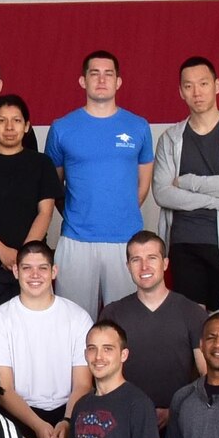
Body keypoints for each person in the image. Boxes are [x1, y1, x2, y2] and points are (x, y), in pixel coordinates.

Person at [46, 51, 155, 314]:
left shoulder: (138, 126)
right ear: (83, 81)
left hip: (126, 240)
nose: (102, 79)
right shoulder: (62, 127)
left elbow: (143, 185)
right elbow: (53, 187)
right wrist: (78, 216)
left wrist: (120, 214)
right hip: (76, 240)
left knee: (127, 323)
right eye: (94, 73)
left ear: (118, 81)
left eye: (109, 74)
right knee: (74, 322)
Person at [151, 57, 219, 309]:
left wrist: (188, 181)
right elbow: (162, 193)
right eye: (188, 86)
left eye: (203, 83)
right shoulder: (171, 138)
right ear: (181, 92)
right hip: (183, 242)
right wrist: (215, 202)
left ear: (217, 86)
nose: (197, 92)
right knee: (192, 325)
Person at [0, 241, 92, 438]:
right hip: (18, 410)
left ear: (54, 271)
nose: (35, 275)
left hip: (68, 410)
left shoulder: (78, 317)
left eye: (42, 268)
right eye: (26, 268)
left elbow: (83, 385)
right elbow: (3, 389)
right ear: (15, 271)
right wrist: (37, 426)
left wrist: (67, 422)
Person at [0, 94, 62, 310]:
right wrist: (1, 250)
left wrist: (23, 255)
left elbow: (45, 212)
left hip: (32, 263)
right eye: (1, 121)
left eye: (16, 120)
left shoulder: (41, 164)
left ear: (27, 126)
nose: (9, 127)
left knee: (34, 331)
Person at [98, 233, 205, 424]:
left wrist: (175, 412)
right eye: (136, 260)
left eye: (152, 258)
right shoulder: (112, 313)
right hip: (124, 419)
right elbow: (101, 375)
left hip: (180, 420)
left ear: (165, 263)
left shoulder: (192, 311)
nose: (144, 267)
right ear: (128, 266)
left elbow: (207, 374)